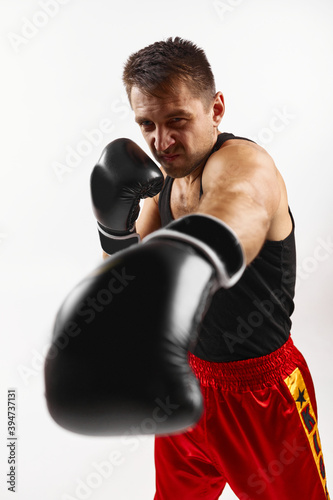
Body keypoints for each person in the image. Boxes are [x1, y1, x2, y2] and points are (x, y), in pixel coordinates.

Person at [45, 37, 330, 499]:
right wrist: (114, 233)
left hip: (264, 395)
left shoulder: (244, 163)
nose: (162, 142)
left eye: (177, 120)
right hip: (188, 380)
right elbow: (126, 285)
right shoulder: (164, 186)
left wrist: (195, 257)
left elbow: (242, 206)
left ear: (216, 108)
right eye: (147, 125)